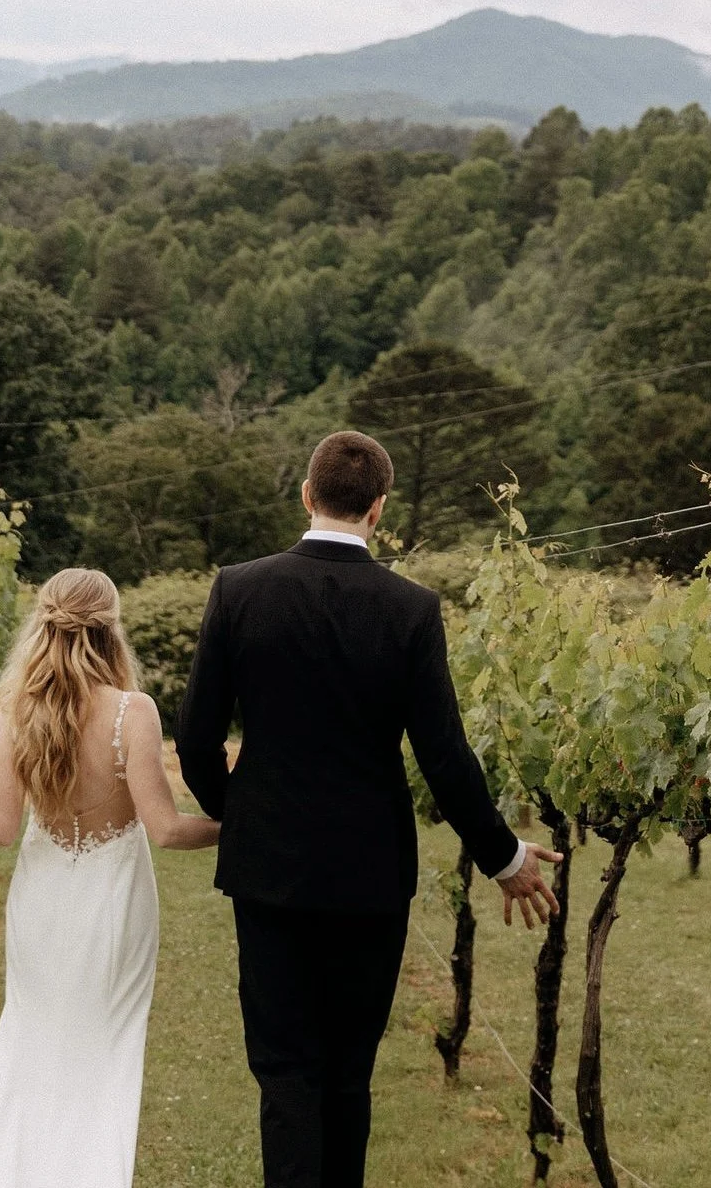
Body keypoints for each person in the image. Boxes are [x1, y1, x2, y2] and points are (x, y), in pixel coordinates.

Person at [177, 430, 562, 1188]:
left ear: (306, 494)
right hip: (370, 876)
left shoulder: (238, 588)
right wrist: (505, 856)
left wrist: (239, 809)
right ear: (380, 507)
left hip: (270, 872)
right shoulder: (411, 607)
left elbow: (195, 737)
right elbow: (444, 755)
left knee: (286, 1070)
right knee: (349, 1072)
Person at [0, 567, 221, 1188]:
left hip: (41, 902)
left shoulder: (13, 709)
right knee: (106, 1055)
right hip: (114, 904)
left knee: (29, 1041)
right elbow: (168, 830)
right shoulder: (133, 712)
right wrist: (239, 828)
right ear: (112, 630)